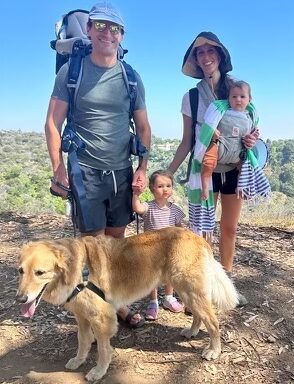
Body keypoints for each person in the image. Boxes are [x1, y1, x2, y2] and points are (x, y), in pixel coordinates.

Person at [44, 2, 151, 328]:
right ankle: (106, 309)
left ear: (122, 36)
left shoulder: (130, 77)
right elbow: (52, 123)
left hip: (121, 172)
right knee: (94, 245)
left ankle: (111, 301)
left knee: (114, 245)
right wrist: (58, 168)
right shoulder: (71, 73)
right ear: (90, 30)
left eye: (115, 28)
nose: (108, 33)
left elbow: (144, 128)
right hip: (85, 171)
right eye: (101, 26)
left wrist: (143, 168)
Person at [168, 32, 260, 306]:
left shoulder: (237, 90)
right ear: (195, 60)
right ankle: (202, 289)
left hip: (234, 168)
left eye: (211, 51)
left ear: (220, 56)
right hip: (203, 169)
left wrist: (252, 140)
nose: (206, 57)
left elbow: (250, 125)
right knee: (202, 231)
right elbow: (188, 140)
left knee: (229, 228)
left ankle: (227, 286)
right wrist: (170, 172)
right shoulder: (192, 98)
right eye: (200, 53)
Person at [132, 170, 185, 320]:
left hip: (170, 248)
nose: (165, 189)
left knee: (170, 274)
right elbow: (137, 208)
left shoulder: (175, 209)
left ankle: (169, 297)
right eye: (160, 186)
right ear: (152, 189)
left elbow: (179, 227)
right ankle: (153, 301)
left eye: (168, 185)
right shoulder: (149, 206)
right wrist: (136, 194)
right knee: (152, 276)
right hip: (151, 249)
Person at [201, 80, 255, 200]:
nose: (238, 100)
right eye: (234, 96)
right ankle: (205, 186)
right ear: (228, 99)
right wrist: (212, 131)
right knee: (208, 163)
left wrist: (252, 138)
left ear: (249, 99)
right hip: (220, 147)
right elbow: (208, 122)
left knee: (244, 165)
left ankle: (241, 187)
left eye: (242, 96)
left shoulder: (249, 117)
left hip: (237, 153)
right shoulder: (221, 112)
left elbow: (252, 136)